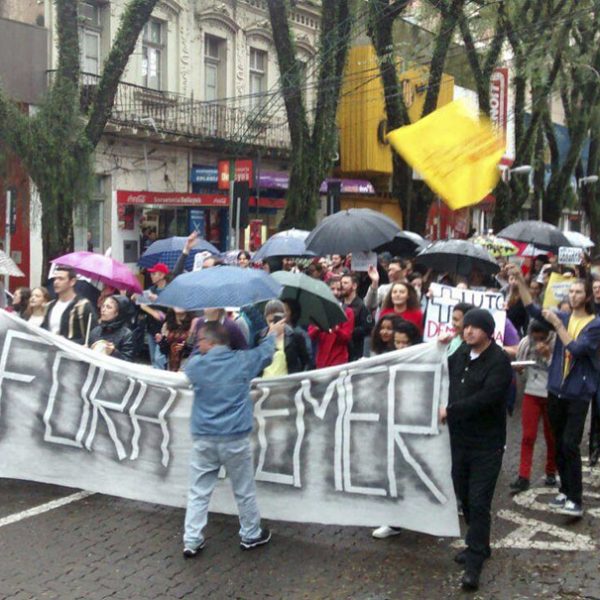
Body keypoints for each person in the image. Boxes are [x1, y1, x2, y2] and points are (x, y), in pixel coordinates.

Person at [182, 319, 286, 557]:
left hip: (204, 437)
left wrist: (201, 347)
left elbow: (191, 364)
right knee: (243, 488)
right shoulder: (242, 361)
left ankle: (192, 540)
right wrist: (272, 335)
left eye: (199, 340)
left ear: (209, 341)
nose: (197, 344)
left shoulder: (196, 365)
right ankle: (250, 534)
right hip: (234, 437)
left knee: (199, 490)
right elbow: (265, 354)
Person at [509, 266, 600, 516]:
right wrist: (519, 282)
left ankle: (576, 499)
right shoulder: (565, 316)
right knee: (558, 442)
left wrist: (558, 324)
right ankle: (564, 490)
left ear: (588, 296)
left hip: (578, 393)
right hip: (556, 389)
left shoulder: (594, 324)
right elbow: (534, 311)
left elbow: (578, 349)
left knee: (570, 443)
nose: (573, 295)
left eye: (578, 291)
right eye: (571, 291)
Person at [439, 308, 513, 592]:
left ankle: (473, 566)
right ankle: (480, 545)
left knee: (480, 501)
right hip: (460, 441)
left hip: (487, 444)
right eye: (465, 326)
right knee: (466, 498)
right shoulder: (460, 354)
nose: (468, 331)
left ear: (488, 331)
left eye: (475, 327)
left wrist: (451, 410)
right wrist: (438, 348)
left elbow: (487, 398)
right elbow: (442, 371)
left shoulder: (498, 362)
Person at [510, 319, 556, 494]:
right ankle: (523, 476)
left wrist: (547, 356)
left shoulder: (557, 343)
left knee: (551, 436)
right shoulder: (525, 343)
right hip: (531, 392)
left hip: (551, 394)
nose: (538, 343)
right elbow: (520, 365)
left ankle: (551, 471)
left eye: (542, 338)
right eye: (535, 339)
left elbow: (562, 369)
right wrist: (519, 369)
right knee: (528, 436)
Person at [42, 266, 97, 344]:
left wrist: (67, 342)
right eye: (55, 278)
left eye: (61, 279)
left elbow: (93, 335)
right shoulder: (50, 306)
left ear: (72, 282)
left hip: (70, 354)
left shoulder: (82, 306)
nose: (56, 282)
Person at [308, 279, 354, 368]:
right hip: (321, 360)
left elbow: (347, 336)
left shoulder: (348, 312)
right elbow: (311, 335)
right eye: (332, 289)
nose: (335, 292)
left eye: (338, 289)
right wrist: (318, 327)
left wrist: (336, 329)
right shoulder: (317, 311)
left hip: (339, 360)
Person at [258, 300, 311, 376]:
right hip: (264, 384)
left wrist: (298, 379)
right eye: (270, 321)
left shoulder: (295, 336)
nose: (274, 325)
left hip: (287, 383)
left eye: (276, 320)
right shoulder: (259, 337)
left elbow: (307, 362)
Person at [88, 295, 135, 361]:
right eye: (103, 306)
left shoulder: (126, 334)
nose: (103, 310)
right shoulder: (95, 331)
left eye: (108, 307)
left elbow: (128, 362)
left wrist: (114, 352)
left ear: (117, 313)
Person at [340, 272, 372, 361]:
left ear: (354, 286)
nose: (342, 286)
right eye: (341, 283)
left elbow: (367, 329)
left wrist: (350, 330)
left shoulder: (361, 306)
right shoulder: (339, 304)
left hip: (355, 350)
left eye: (345, 283)